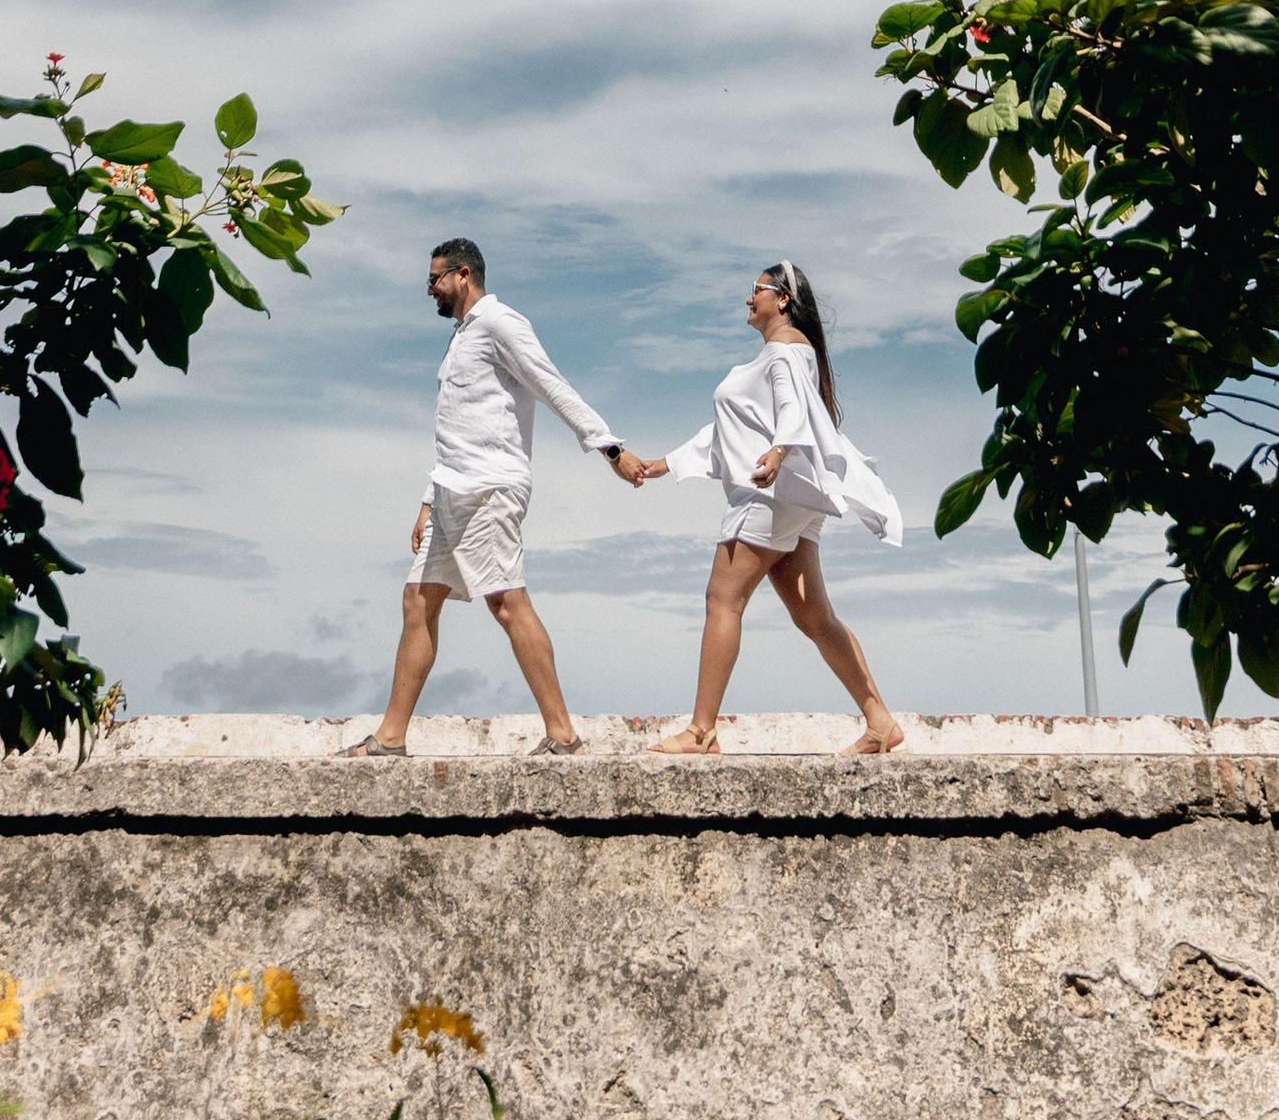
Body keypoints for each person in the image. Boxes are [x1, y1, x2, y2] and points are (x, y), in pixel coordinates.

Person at [341, 235, 641, 757]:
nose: (428, 289)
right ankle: (390, 738)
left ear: (462, 275)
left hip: (490, 487)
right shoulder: (462, 336)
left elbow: (552, 385)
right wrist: (428, 499)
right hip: (452, 488)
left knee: (505, 602)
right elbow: (456, 424)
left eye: (434, 279)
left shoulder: (501, 323)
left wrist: (610, 448)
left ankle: (563, 734)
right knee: (418, 600)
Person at [623, 260, 904, 756]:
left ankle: (701, 732)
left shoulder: (784, 349)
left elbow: (791, 407)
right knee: (815, 616)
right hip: (791, 493)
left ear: (782, 300)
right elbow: (736, 428)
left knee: (722, 599)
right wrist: (666, 463)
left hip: (769, 491)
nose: (748, 298)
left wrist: (777, 451)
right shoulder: (783, 353)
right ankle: (880, 722)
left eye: (756, 290)